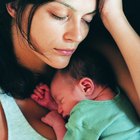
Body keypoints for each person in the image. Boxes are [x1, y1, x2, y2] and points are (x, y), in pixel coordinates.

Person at [0, 0, 139, 139]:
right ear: (15, 5)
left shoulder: (101, 55)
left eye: (86, 20)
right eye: (59, 15)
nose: (78, 36)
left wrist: (114, 17)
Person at [31, 47, 140, 140]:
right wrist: (53, 105)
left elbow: (84, 118)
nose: (59, 109)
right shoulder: (117, 96)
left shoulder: (83, 113)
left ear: (86, 87)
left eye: (61, 100)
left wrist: (57, 123)